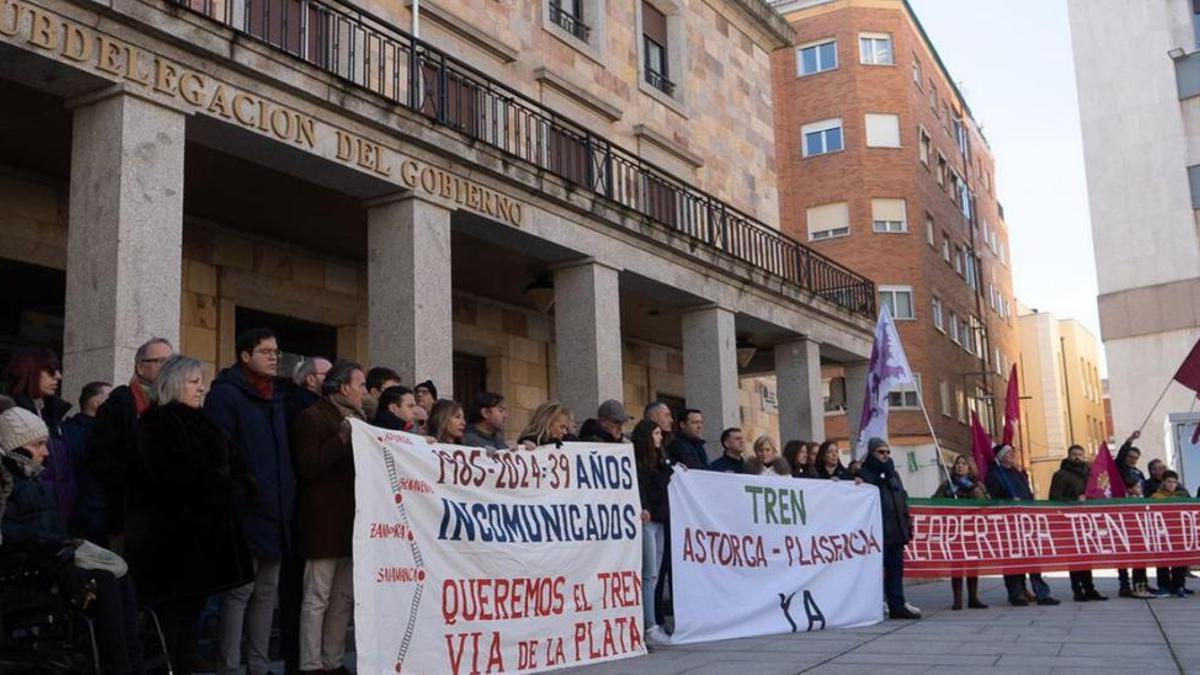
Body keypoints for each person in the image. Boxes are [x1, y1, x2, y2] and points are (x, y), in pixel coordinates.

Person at [0, 396, 144, 673]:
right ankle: (120, 667)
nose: (45, 452)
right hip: (24, 575)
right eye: (38, 445)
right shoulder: (10, 480)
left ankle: (131, 663)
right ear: (15, 447)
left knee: (120, 575)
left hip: (44, 563)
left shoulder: (31, 478)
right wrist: (51, 545)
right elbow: (12, 534)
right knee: (103, 580)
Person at [130, 356, 255, 674]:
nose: (202, 388)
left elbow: (237, 465)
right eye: (194, 381)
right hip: (173, 545)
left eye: (203, 381)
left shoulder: (205, 423)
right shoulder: (157, 423)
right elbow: (176, 476)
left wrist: (237, 486)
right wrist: (223, 487)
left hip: (205, 543)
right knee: (173, 625)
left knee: (191, 620)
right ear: (173, 384)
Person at [204, 328, 295, 675]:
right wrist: (242, 492)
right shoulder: (226, 395)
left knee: (266, 596)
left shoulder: (277, 397)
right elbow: (219, 452)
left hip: (276, 512)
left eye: (276, 351)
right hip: (244, 512)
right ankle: (227, 665)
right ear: (245, 356)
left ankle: (258, 665)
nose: (274, 357)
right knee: (238, 593)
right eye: (265, 351)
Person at [292, 360, 366, 675]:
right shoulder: (311, 418)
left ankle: (333, 661)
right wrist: (341, 439)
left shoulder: (362, 421)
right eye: (359, 384)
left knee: (343, 600)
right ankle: (310, 664)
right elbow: (308, 466)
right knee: (317, 598)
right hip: (322, 524)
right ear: (342, 387)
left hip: (352, 525)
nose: (363, 391)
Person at [87, 337, 174, 549]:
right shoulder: (119, 405)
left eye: (172, 362)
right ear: (141, 367)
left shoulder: (171, 404)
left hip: (166, 514)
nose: (169, 368)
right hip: (128, 515)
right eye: (161, 361)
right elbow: (101, 460)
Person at [5, 347, 75, 527]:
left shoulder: (54, 415)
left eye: (59, 370)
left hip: (57, 517)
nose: (58, 376)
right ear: (30, 370)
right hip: (26, 525)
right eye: (51, 370)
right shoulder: (9, 418)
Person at [985, 443, 1060, 606]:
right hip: (1008, 525)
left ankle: (1042, 593)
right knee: (1013, 560)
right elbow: (992, 499)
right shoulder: (994, 475)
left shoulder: (1018, 474)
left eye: (1013, 452)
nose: (1013, 454)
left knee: (1033, 559)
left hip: (1026, 523)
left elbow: (1028, 494)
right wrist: (1008, 502)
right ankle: (1016, 593)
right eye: (1009, 452)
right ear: (1001, 457)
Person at [859, 438, 920, 620]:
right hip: (878, 532)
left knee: (895, 572)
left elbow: (901, 498)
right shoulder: (865, 474)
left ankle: (897, 606)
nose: (885, 455)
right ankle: (872, 605)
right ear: (872, 453)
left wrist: (906, 522)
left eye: (887, 452)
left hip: (896, 530)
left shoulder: (894, 475)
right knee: (875, 573)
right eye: (880, 452)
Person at [1048, 444, 1108, 602]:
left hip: (1088, 521)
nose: (1077, 457)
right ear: (1068, 456)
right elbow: (1054, 497)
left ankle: (1090, 588)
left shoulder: (1090, 474)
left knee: (1087, 556)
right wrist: (1073, 501)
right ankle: (1077, 590)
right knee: (1075, 557)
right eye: (1074, 454)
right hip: (1070, 522)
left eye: (1080, 454)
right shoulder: (1060, 475)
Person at [631, 419, 671, 645]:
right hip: (647, 519)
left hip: (660, 519)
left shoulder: (661, 459)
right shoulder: (639, 461)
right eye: (656, 433)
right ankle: (649, 625)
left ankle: (650, 621)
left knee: (654, 575)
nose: (660, 437)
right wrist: (643, 506)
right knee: (649, 574)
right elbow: (640, 486)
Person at [933, 454, 989, 610]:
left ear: (969, 467)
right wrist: (949, 497)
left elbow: (984, 504)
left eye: (964, 464)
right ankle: (957, 600)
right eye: (958, 463)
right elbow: (935, 502)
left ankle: (973, 598)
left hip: (972, 530)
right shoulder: (947, 485)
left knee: (972, 564)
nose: (960, 466)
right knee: (956, 565)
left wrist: (971, 488)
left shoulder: (977, 485)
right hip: (955, 531)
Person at [61, 381, 111, 542]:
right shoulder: (101, 433)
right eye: (110, 399)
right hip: (92, 509)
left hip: (73, 508)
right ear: (96, 403)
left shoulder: (65, 428)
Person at [1114, 430, 1159, 597]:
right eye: (1130, 456)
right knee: (1124, 553)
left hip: (1141, 516)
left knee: (1141, 551)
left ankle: (1142, 584)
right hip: (1124, 517)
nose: (1132, 460)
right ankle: (1124, 585)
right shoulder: (1119, 469)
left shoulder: (1138, 473)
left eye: (1135, 458)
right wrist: (1130, 441)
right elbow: (1120, 457)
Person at [1151, 470, 1192, 598]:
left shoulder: (1182, 496)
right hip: (1162, 534)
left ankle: (1179, 585)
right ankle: (1163, 586)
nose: (1171, 484)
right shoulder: (1156, 497)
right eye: (1169, 481)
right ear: (1163, 482)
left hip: (1179, 533)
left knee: (1179, 560)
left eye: (1174, 482)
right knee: (1162, 560)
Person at [286, 357, 331, 428]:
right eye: (328, 374)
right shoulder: (298, 405)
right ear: (311, 379)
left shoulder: (324, 402)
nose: (334, 379)